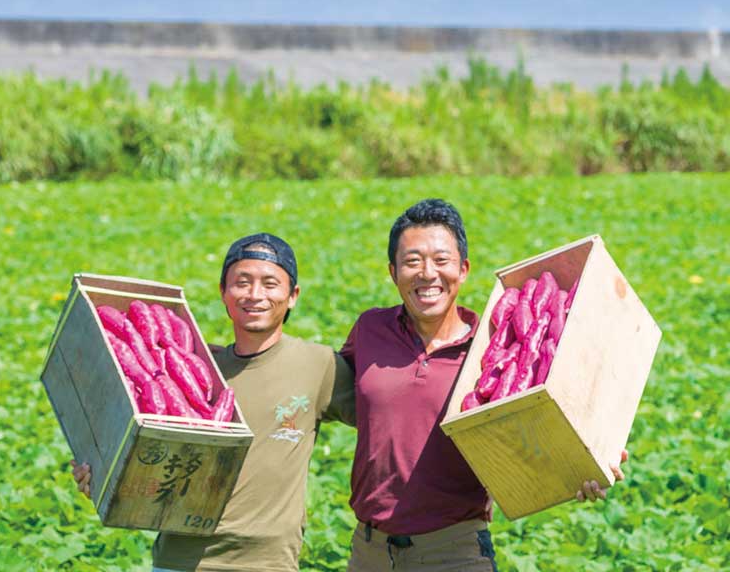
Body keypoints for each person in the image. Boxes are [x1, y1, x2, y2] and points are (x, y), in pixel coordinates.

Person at [339, 198, 627, 571]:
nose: (428, 274)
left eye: (442, 261)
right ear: (393, 272)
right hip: (369, 552)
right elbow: (328, 391)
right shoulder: (369, 331)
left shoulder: (491, 352)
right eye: (412, 261)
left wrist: (582, 464)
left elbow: (537, 437)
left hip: (454, 552)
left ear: (463, 270)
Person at [72, 232, 355, 572]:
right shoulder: (198, 369)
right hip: (181, 559)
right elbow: (140, 448)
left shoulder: (318, 364)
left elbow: (388, 419)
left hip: (268, 563)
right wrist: (101, 475)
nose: (255, 295)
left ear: (292, 296)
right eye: (242, 283)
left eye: (270, 283)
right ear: (223, 292)